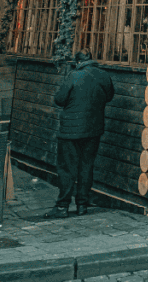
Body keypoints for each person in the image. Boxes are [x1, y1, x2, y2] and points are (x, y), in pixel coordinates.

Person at [45, 49, 114, 218]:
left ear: (77, 62)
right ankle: (82, 205)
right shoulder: (104, 75)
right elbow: (109, 96)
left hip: (71, 131)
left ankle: (62, 206)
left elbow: (59, 99)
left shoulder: (73, 76)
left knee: (67, 168)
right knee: (86, 166)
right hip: (93, 129)